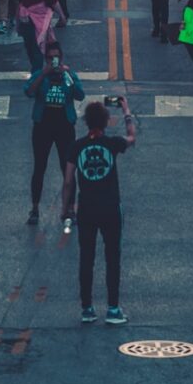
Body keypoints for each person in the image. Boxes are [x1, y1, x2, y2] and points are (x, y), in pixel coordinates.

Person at [61, 96, 136, 325]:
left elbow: (68, 181)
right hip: (111, 207)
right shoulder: (112, 144)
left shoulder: (76, 147)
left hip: (87, 209)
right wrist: (126, 110)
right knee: (112, 257)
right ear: (105, 122)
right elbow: (132, 137)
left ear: (86, 122)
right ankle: (113, 308)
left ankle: (87, 308)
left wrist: (66, 210)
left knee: (87, 258)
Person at [24, 42, 85, 226]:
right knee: (39, 167)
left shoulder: (68, 75)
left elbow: (80, 95)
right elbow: (29, 91)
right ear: (46, 59)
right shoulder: (39, 75)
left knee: (67, 169)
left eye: (56, 57)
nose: (53, 61)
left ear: (61, 58)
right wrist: (43, 73)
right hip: (43, 126)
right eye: (50, 58)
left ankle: (70, 209)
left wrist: (66, 74)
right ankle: (34, 208)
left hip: (64, 126)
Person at [17, 0, 66, 71]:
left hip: (40, 22)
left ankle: (38, 72)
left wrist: (62, 16)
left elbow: (54, 1)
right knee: (30, 48)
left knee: (39, 48)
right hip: (26, 22)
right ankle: (36, 69)